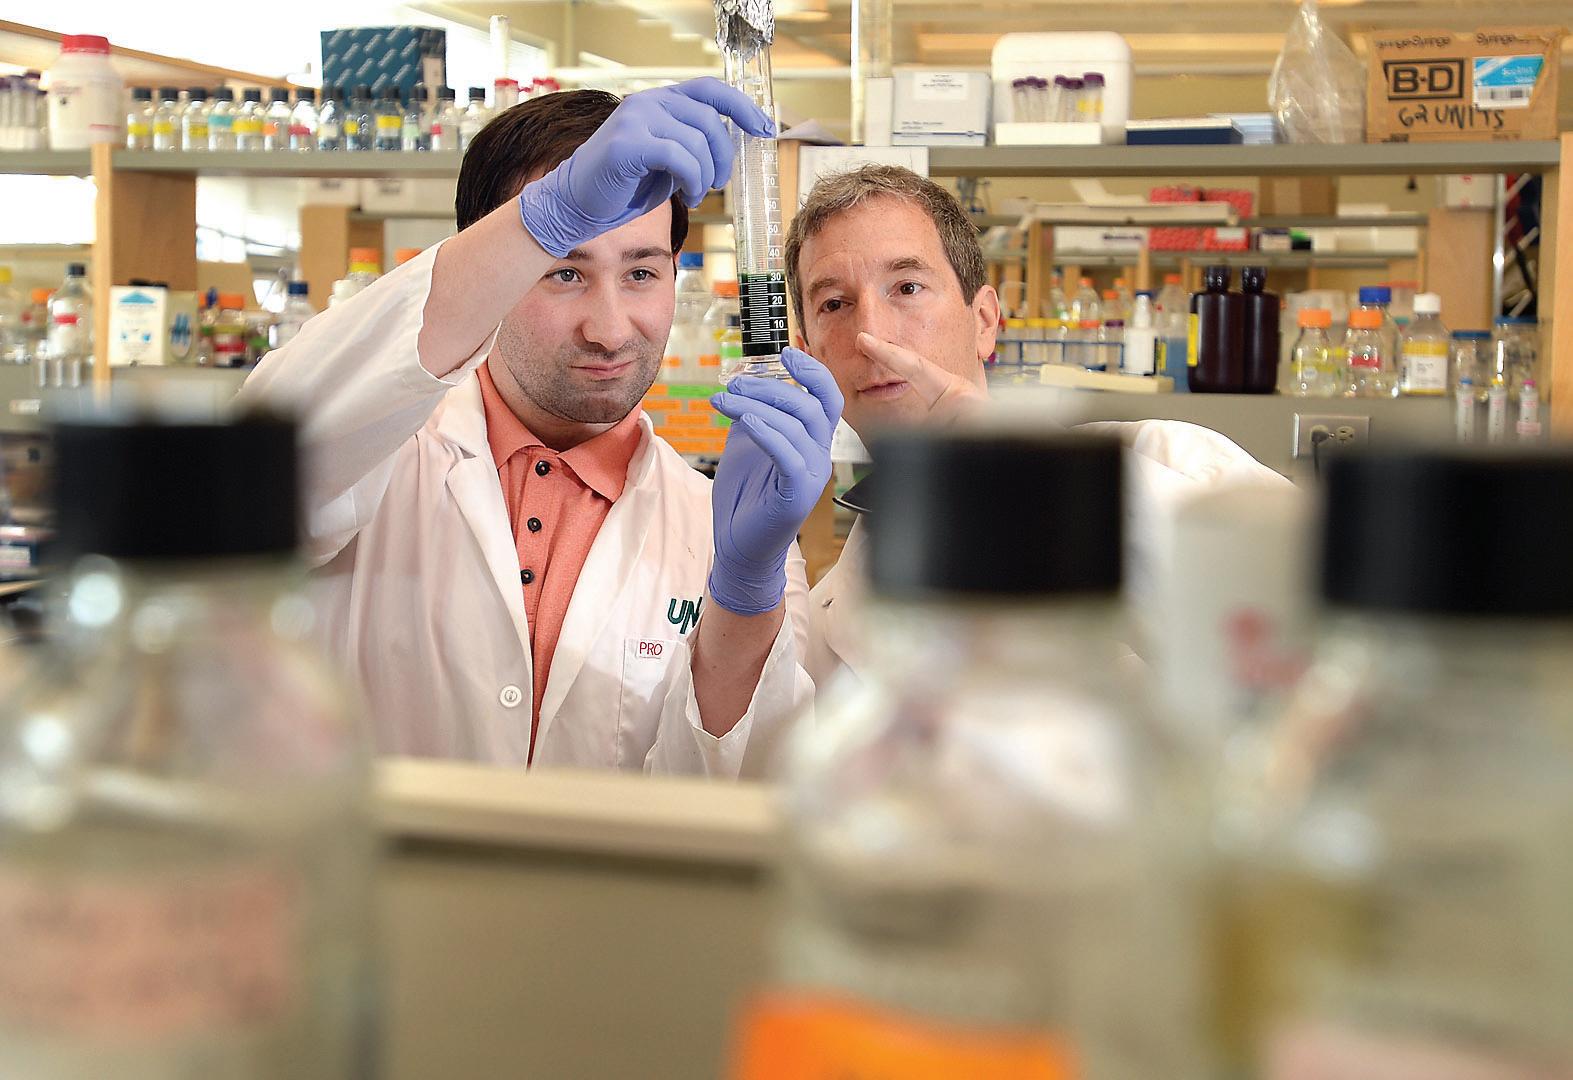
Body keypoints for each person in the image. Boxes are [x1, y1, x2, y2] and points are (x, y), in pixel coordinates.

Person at [238, 81, 842, 777]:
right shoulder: (377, 455)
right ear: (493, 266)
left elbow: (747, 792)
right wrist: (538, 220)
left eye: (641, 273)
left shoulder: (729, 533)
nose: (609, 330)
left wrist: (742, 594)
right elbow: (248, 466)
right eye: (563, 272)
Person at [782, 164, 1289, 687]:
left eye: (907, 287)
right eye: (834, 304)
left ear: (984, 322)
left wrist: (1041, 480)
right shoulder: (825, 620)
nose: (871, 335)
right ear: (809, 358)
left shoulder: (1179, 465)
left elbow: (1300, 656)